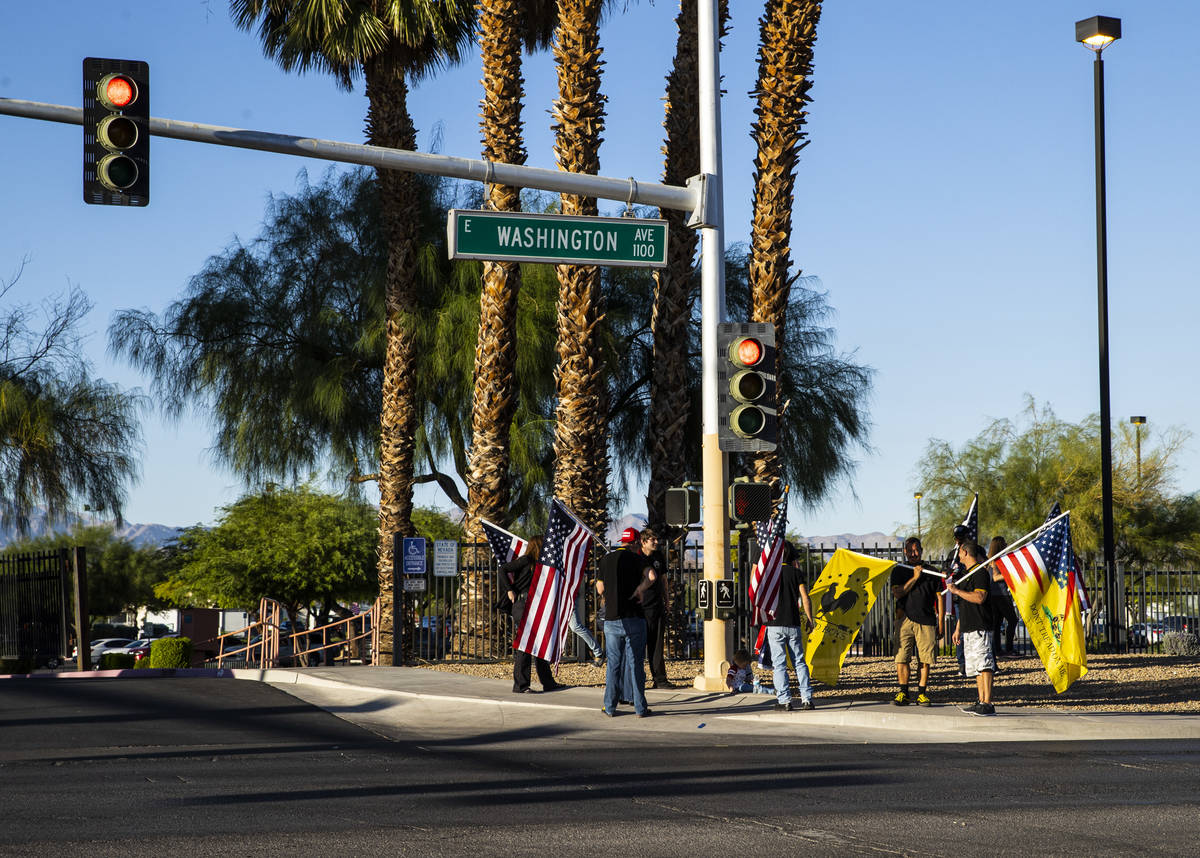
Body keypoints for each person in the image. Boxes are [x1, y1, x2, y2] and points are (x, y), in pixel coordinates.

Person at [597, 528, 656, 717]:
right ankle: (640, 708)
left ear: (622, 541)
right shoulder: (638, 560)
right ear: (637, 543)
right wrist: (640, 588)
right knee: (636, 664)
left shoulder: (606, 560)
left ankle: (610, 707)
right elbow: (652, 576)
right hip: (634, 618)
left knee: (613, 664)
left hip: (612, 619)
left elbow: (599, 588)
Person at [499, 536, 564, 694]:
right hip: (523, 605)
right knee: (525, 645)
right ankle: (521, 685)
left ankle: (548, 682)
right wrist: (509, 590)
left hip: (535, 606)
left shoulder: (541, 565)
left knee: (540, 643)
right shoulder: (527, 560)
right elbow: (502, 569)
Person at [890, 536, 945, 707]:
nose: (913, 553)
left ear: (921, 551)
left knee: (925, 659)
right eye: (910, 550)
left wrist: (941, 622)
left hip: (926, 620)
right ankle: (903, 692)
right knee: (902, 658)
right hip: (904, 619)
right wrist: (914, 577)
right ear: (905, 552)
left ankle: (922, 693)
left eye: (916, 550)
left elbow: (940, 598)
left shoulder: (932, 572)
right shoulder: (899, 570)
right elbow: (898, 593)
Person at [946, 541, 996, 715]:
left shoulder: (980, 573)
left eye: (959, 552)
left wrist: (957, 592)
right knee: (975, 667)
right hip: (968, 627)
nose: (958, 555)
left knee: (984, 664)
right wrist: (958, 628)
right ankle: (981, 700)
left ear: (965, 552)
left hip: (980, 626)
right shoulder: (966, 574)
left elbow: (980, 597)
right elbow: (965, 605)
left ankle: (988, 703)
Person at [765, 541, 815, 712]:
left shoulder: (771, 574)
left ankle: (785, 701)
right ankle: (807, 699)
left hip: (774, 623)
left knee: (779, 664)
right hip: (793, 623)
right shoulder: (796, 573)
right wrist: (810, 619)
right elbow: (805, 598)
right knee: (800, 662)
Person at [636, 527, 674, 689]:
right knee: (637, 645)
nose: (656, 542)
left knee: (656, 643)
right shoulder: (636, 557)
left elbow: (664, 580)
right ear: (644, 542)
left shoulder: (658, 557)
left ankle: (660, 679)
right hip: (639, 609)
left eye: (656, 539)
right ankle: (636, 680)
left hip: (656, 606)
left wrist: (667, 600)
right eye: (653, 540)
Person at [987, 535, 1019, 658]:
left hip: (994, 595)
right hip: (1000, 595)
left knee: (997, 623)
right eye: (1004, 543)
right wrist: (1011, 575)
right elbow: (995, 577)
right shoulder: (996, 561)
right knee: (1012, 620)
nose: (1006, 545)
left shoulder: (990, 560)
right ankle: (1009, 649)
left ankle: (998, 650)